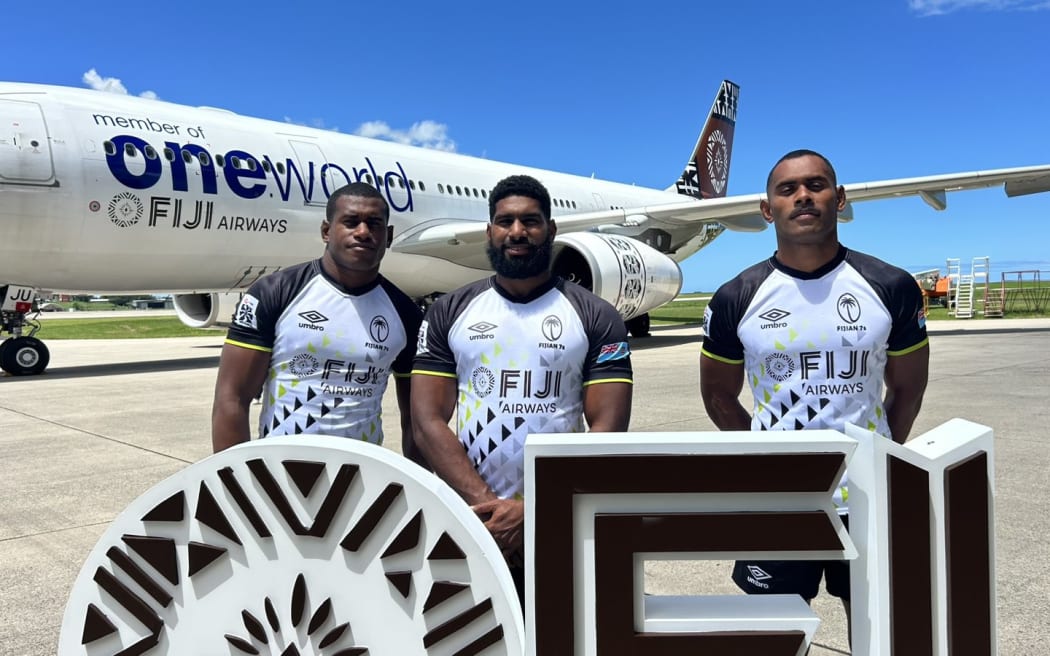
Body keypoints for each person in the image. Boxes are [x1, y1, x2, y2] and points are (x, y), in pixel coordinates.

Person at [699, 149, 930, 640]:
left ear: (840, 199)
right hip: (778, 497)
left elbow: (908, 387)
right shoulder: (737, 295)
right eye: (787, 189)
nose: (803, 196)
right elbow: (719, 394)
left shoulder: (891, 285)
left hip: (866, 495)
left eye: (817, 185)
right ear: (767, 209)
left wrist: (875, 457)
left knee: (876, 630)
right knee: (773, 637)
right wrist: (770, 456)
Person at [411, 174, 633, 606]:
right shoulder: (448, 311)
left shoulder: (596, 315)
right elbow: (427, 421)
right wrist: (488, 508)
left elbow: (607, 427)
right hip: (471, 517)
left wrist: (533, 509)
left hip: (558, 515)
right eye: (505, 221)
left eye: (530, 221)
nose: (517, 232)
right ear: (490, 230)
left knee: (559, 633)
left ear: (550, 230)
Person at [212, 182, 422, 458]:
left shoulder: (405, 312)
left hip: (362, 478)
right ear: (326, 231)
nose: (363, 232)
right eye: (350, 222)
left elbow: (416, 421)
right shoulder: (276, 292)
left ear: (389, 235)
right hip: (280, 471)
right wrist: (236, 483)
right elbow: (232, 399)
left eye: (374, 224)